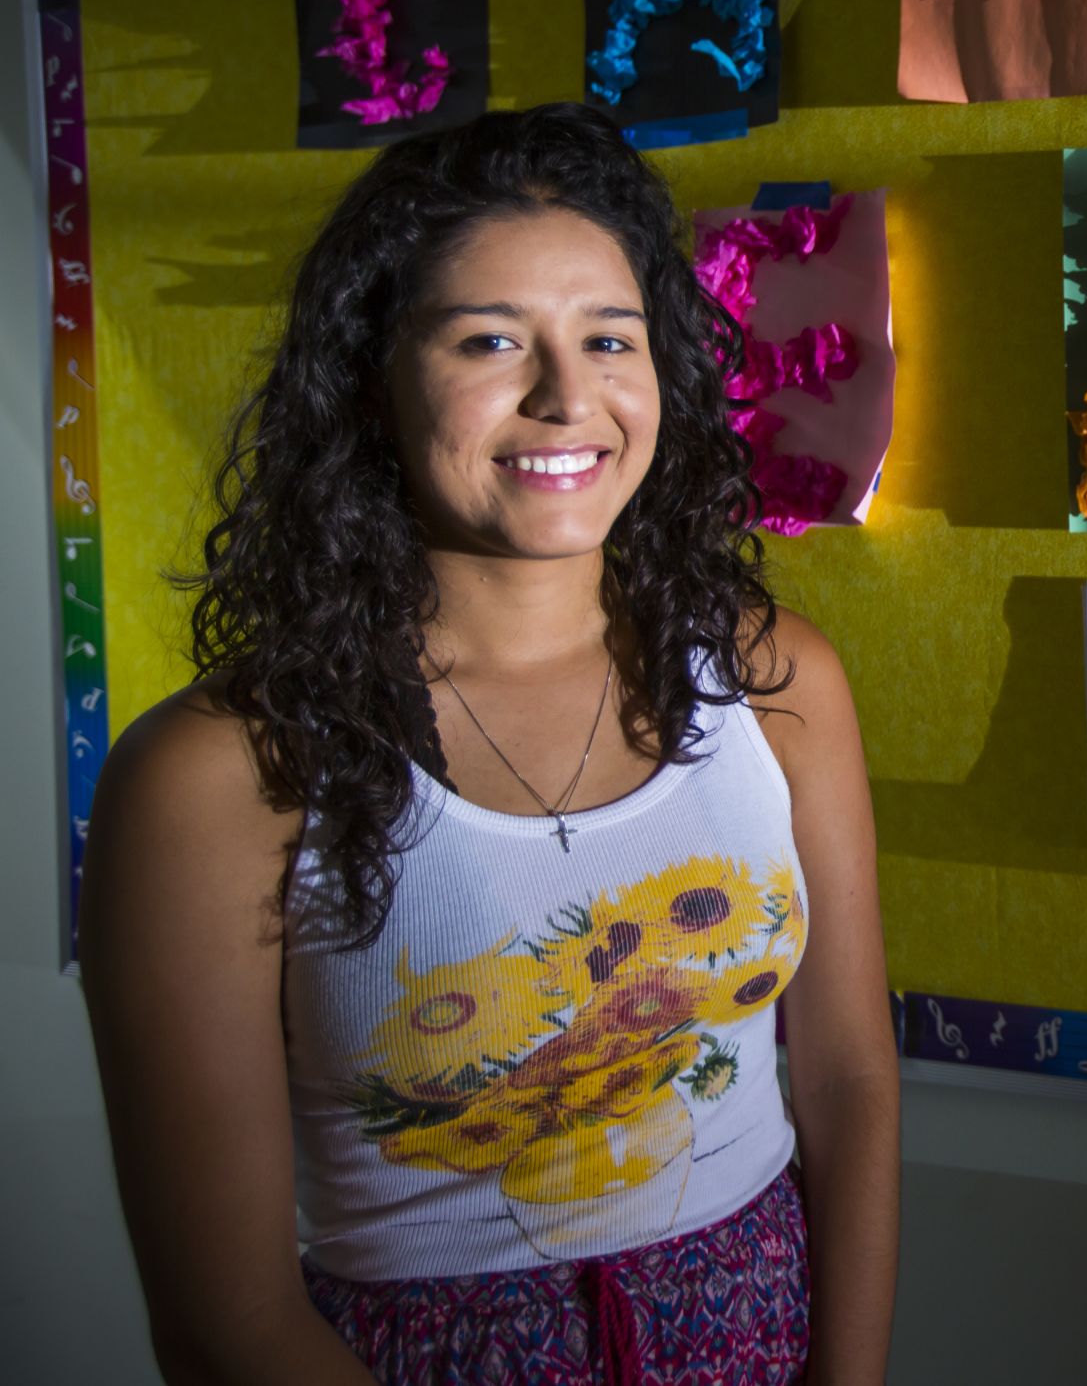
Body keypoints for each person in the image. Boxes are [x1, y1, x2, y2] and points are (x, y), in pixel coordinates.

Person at [79, 104, 899, 1385]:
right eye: (490, 340)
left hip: (767, 1333)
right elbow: (224, 1322)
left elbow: (847, 1076)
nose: (568, 397)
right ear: (372, 377)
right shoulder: (219, 778)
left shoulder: (775, 678)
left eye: (608, 340)